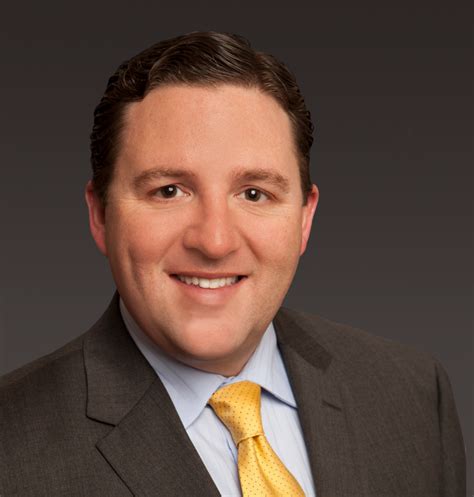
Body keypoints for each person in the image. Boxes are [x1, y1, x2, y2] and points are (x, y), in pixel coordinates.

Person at [0, 31, 466, 497]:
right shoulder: (12, 450)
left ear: (304, 218)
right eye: (169, 191)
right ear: (101, 214)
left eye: (254, 194)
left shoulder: (413, 395)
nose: (215, 241)